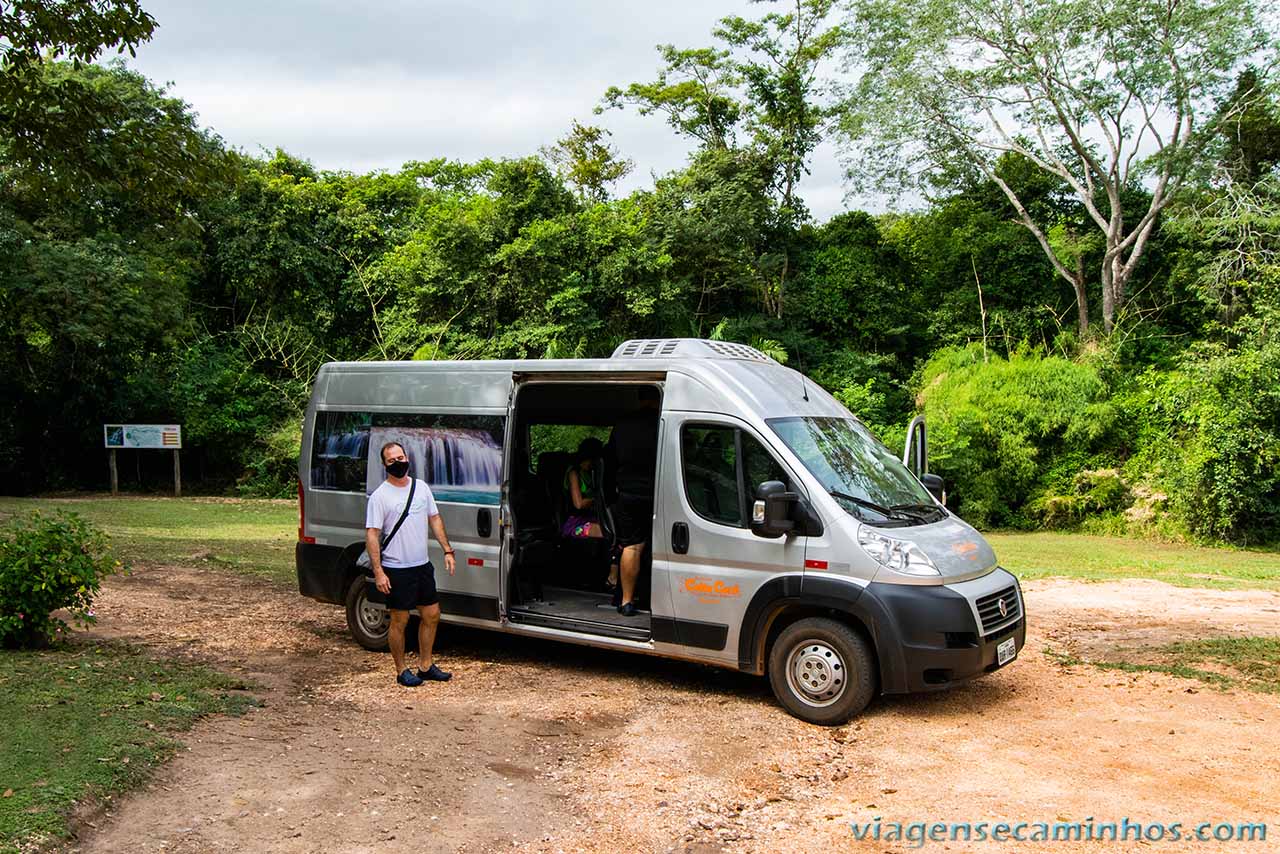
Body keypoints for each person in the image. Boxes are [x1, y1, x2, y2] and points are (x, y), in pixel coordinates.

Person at [366, 441, 458, 687]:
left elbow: (435, 519)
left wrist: (447, 550)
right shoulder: (380, 496)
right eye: (392, 461)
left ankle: (426, 666)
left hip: (422, 566)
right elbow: (372, 535)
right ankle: (401, 670)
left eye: (401, 458)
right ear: (385, 465)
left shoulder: (421, 488)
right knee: (400, 620)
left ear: (408, 457)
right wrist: (379, 572)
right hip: (396, 569)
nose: (399, 463)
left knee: (432, 614)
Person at [608, 388, 660, 616]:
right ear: (659, 399)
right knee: (663, 548)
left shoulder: (622, 425)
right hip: (659, 495)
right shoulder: (663, 422)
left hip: (628, 495)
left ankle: (626, 601)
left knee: (632, 546)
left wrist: (613, 494)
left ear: (639, 399)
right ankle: (656, 601)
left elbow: (609, 460)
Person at [560, 438, 621, 589]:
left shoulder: (590, 473)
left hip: (591, 517)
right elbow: (579, 503)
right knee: (611, 533)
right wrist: (597, 499)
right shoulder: (574, 473)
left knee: (618, 529)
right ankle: (612, 578)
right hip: (574, 523)